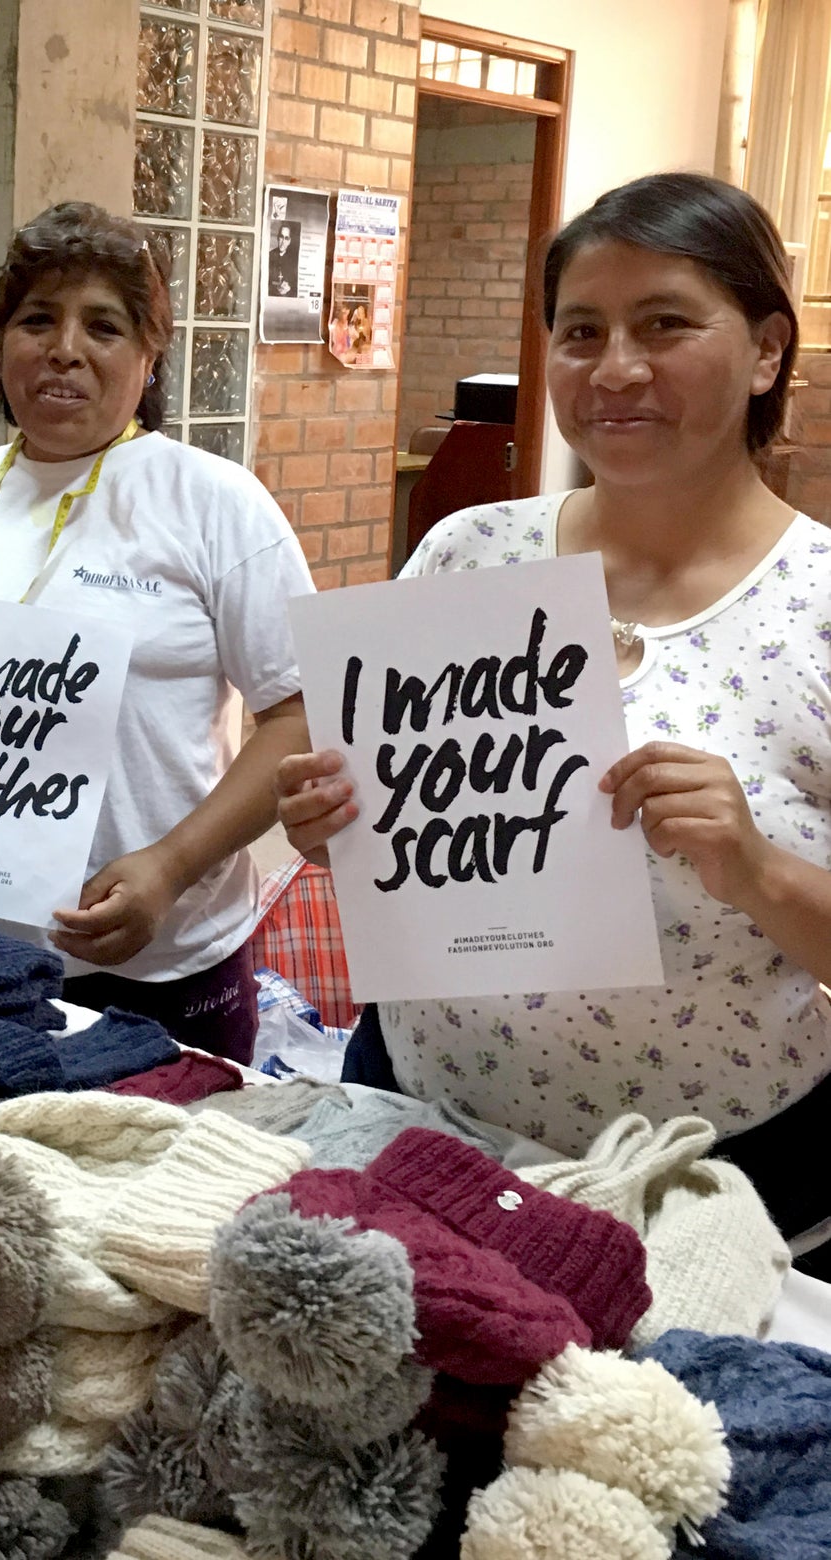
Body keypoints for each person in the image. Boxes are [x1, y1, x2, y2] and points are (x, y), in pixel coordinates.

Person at [276, 172, 831, 1258]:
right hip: (425, 1133)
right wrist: (338, 823)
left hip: (709, 1192)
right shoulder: (467, 553)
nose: (616, 369)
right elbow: (411, 842)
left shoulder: (818, 606)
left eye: (665, 323)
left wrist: (757, 871)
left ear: (767, 349)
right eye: (581, 332)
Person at [0, 202, 313, 1062]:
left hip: (162, 965)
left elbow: (301, 717)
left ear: (148, 354)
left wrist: (170, 865)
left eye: (104, 326)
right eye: (36, 319)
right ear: (0, 341)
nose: (65, 348)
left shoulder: (216, 505)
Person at [269, 224, 297, 298]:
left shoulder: (294, 260)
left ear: (289, 241)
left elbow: (295, 286)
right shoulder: (269, 256)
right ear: (278, 238)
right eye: (281, 237)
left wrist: (289, 289)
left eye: (286, 238)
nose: (283, 241)